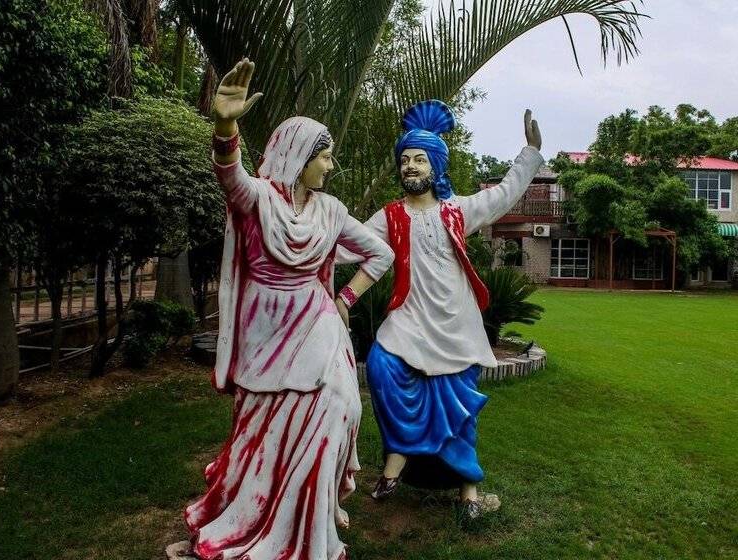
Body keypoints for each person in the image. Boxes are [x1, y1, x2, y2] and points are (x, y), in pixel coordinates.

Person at [169, 58, 394, 560]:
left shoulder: (330, 211)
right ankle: (259, 514)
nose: (330, 167)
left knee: (342, 407)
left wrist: (343, 299)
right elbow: (230, 176)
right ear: (299, 156)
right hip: (265, 330)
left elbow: (381, 254)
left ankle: (310, 520)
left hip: (317, 323)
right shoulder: (259, 200)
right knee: (264, 429)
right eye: (325, 157)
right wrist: (225, 127)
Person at [339, 99, 543, 519]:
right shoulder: (389, 217)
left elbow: (504, 195)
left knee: (459, 408)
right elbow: (347, 244)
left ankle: (469, 494)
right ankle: (397, 459)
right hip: (408, 321)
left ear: (436, 166)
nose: (410, 167)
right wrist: (298, 236)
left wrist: (530, 153)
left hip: (455, 326)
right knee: (381, 367)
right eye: (405, 160)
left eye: (419, 159)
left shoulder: (457, 211)